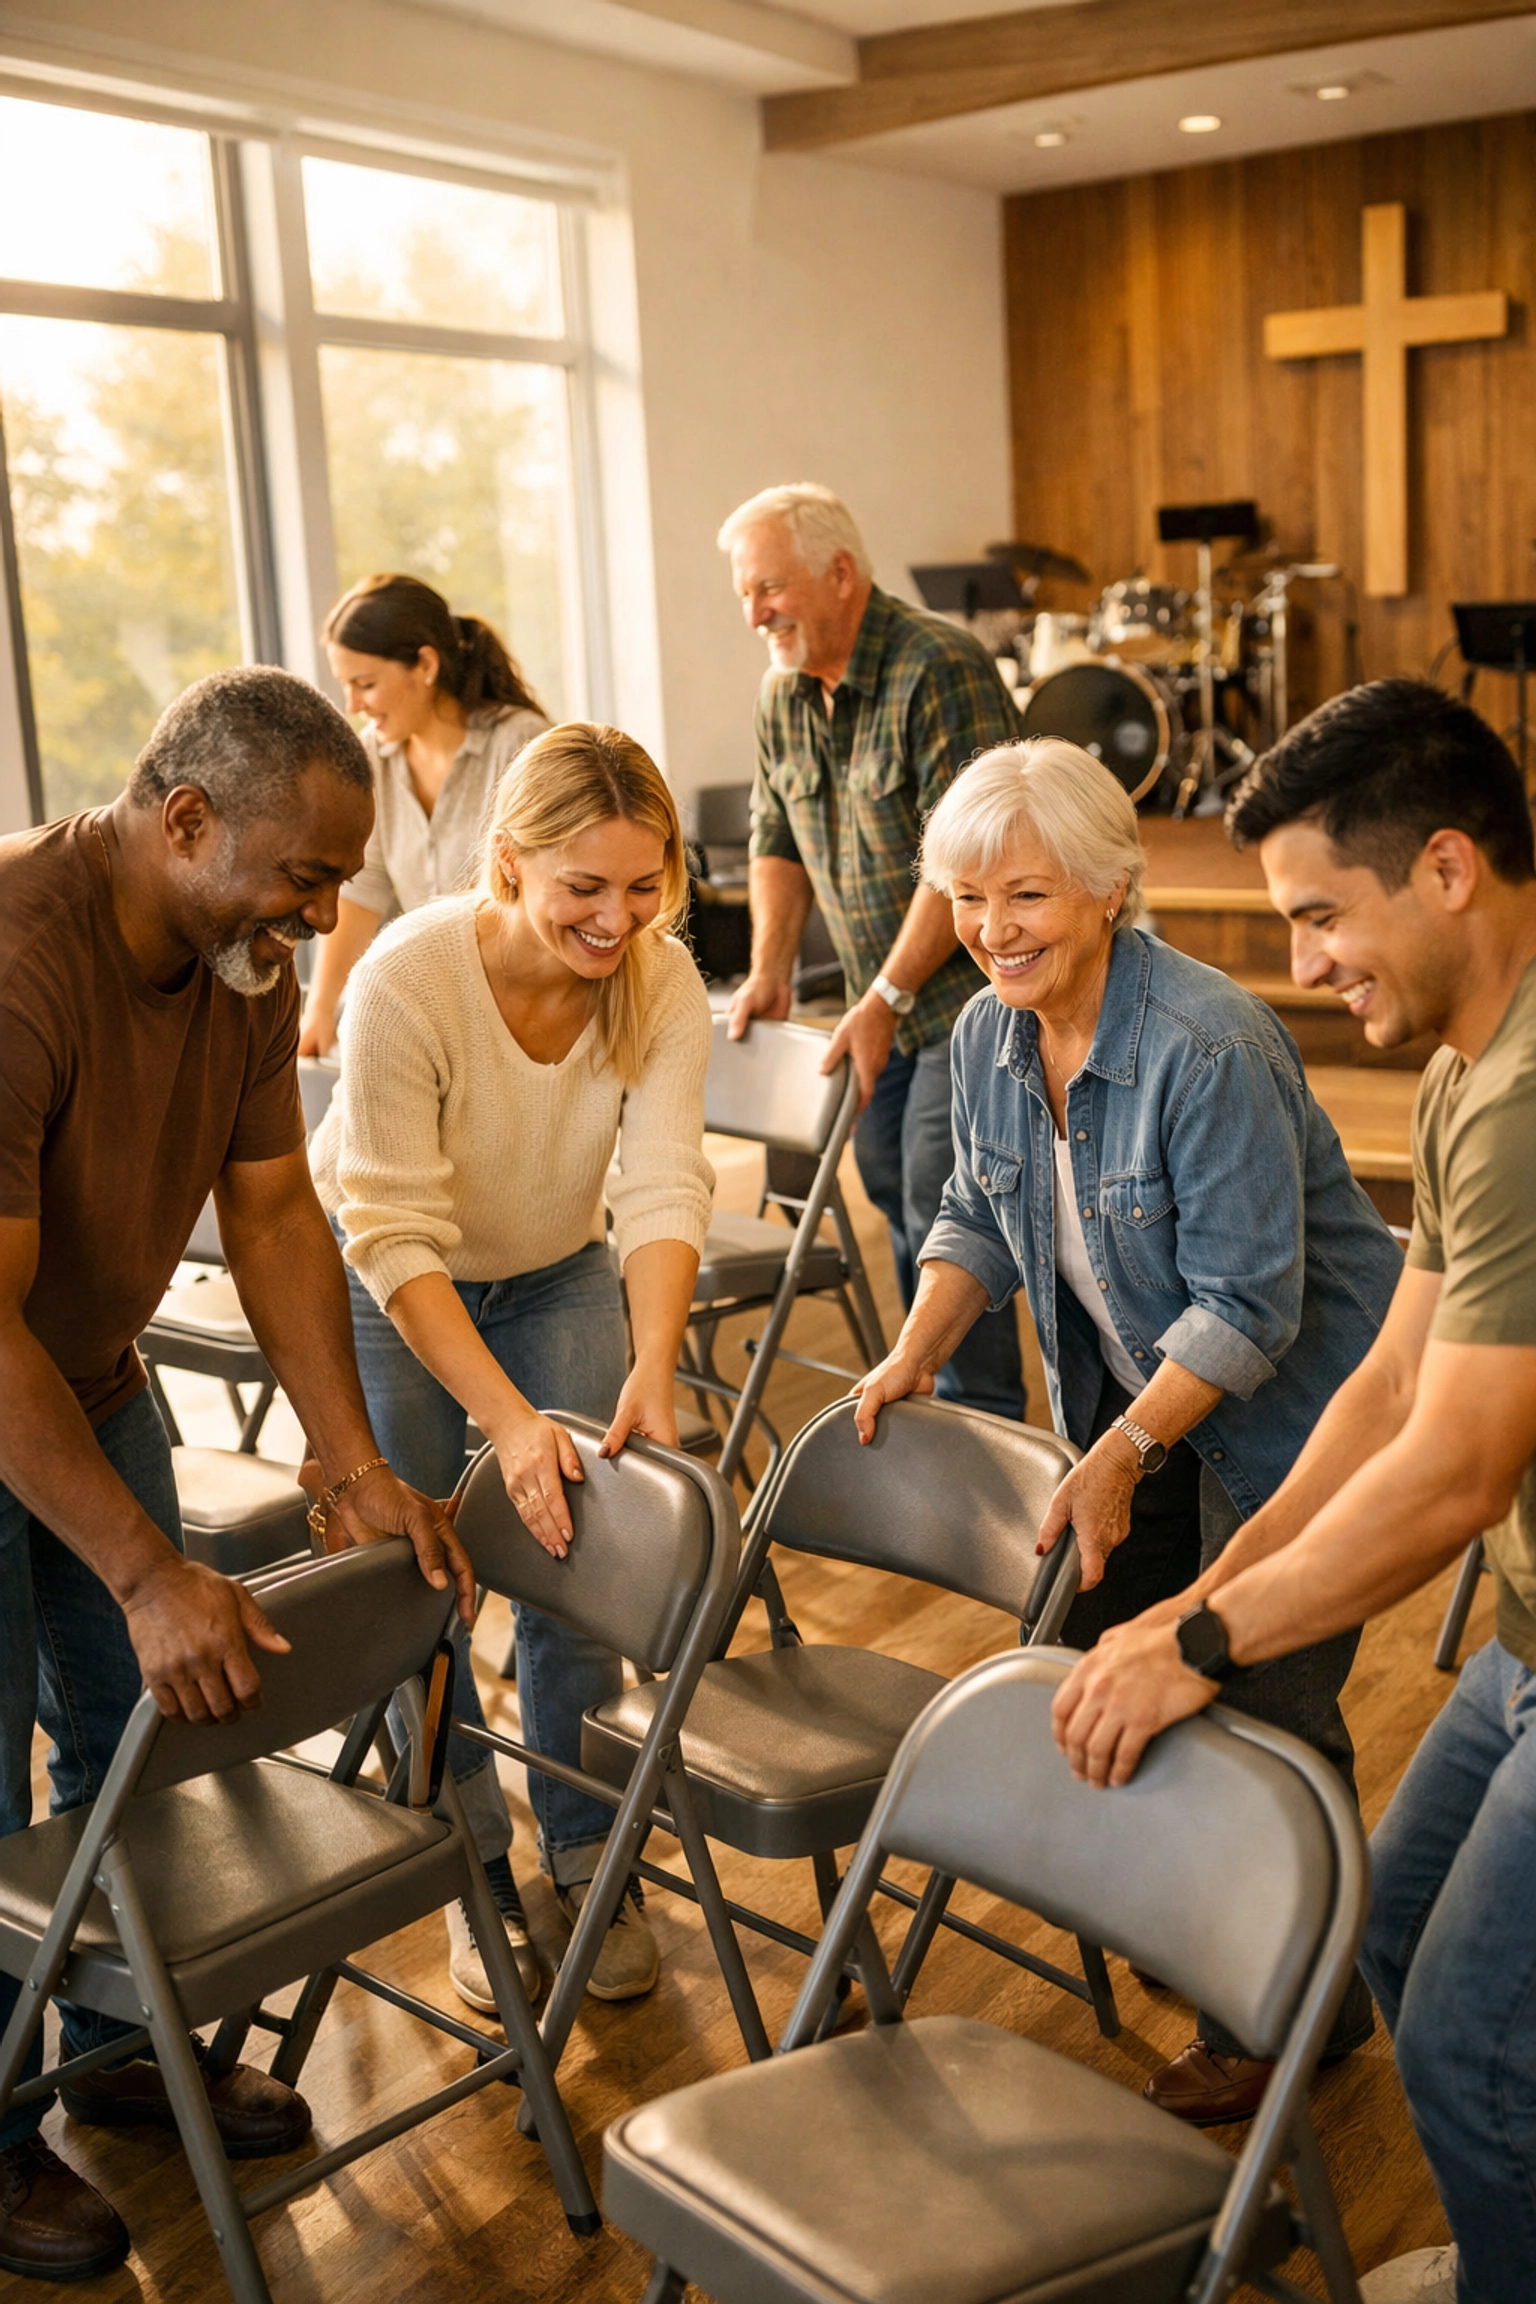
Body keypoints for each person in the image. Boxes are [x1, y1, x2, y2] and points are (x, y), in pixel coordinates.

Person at [1050, 681, 1536, 2304]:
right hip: (1525, 1636)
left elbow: (1460, 1470)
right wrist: (1212, 1594)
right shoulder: (1478, 1064)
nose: (1304, 959)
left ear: (1449, 868)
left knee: (1468, 2039)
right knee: (1390, 1927)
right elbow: (1386, 1388)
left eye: (1324, 913)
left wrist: (1194, 1642)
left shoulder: (1527, 1100)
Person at [0, 668, 475, 2283]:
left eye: (338, 879)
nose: (329, 910)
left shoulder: (241, 954)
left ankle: (121, 2036)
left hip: (91, 1375)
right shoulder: (15, 955)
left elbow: (274, 1211)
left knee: (140, 1742)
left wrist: (351, 1463)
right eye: (307, 872)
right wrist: (145, 1567)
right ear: (184, 817)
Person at [851, 735, 1402, 2122]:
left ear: (1109, 889)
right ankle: (1232, 1932)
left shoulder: (1206, 1044)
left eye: (1025, 898)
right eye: (968, 901)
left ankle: (1293, 2016)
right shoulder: (985, 1030)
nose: (989, 934)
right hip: (1139, 1410)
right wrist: (917, 1348)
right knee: (1104, 1656)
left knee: (1262, 1706)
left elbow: (1247, 1307)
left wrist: (1117, 1456)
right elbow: (974, 1215)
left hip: (1303, 1422)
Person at [310, 721, 713, 2013]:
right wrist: (508, 1417)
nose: (618, 918)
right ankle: (468, 1866)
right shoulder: (406, 979)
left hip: (554, 1267)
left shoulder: (661, 983)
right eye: (584, 888)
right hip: (400, 1284)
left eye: (644, 886)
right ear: (508, 864)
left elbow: (657, 1186)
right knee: (424, 1574)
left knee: (573, 1563)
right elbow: (390, 1228)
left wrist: (655, 1362)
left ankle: (592, 1845)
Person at [718, 482, 1027, 1420]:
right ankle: (939, 1377)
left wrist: (888, 995)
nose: (754, 614)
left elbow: (972, 862)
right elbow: (775, 839)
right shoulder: (782, 697)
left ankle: (983, 1418)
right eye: (744, 594)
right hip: (876, 996)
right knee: (890, 1175)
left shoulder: (940, 666)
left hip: (973, 997)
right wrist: (772, 967)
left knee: (940, 1188)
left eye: (769, 588)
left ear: (840, 575)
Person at [298, 572, 548, 1055]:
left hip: (516, 1007)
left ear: (425, 665)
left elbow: (544, 894)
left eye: (365, 683)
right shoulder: (371, 757)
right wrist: (321, 1009)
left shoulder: (518, 743)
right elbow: (363, 889)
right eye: (345, 685)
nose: (351, 704)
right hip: (431, 1006)